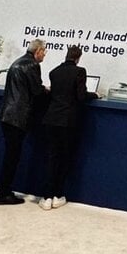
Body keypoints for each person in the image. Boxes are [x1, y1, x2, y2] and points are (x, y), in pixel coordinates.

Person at [39, 45, 98, 210]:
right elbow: (81, 96)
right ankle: (57, 195)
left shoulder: (54, 72)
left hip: (51, 119)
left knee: (52, 157)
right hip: (67, 121)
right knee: (63, 158)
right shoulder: (80, 72)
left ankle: (46, 197)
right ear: (78, 58)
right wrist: (95, 95)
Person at [0, 38, 48, 205]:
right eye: (44, 51)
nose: (44, 55)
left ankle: (4, 190)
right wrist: (47, 90)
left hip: (7, 114)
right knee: (12, 157)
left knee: (10, 155)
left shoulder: (18, 62)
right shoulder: (32, 65)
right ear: (38, 51)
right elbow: (37, 91)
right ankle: (3, 193)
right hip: (17, 116)